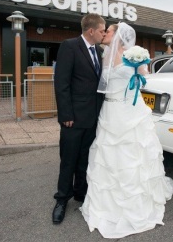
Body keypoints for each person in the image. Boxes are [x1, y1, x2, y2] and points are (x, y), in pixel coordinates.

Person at [80, 22, 173, 239]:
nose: (105, 33)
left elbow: (143, 79)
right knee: (109, 154)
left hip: (131, 110)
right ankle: (107, 203)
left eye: (109, 31)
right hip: (110, 110)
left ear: (118, 36)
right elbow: (101, 82)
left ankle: (136, 202)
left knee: (133, 154)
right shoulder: (103, 54)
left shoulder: (132, 54)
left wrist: (140, 66)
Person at [52, 13, 106, 225]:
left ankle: (80, 194)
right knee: (69, 160)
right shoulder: (70, 46)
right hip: (73, 119)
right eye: (102, 30)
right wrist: (66, 115)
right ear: (91, 30)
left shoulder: (100, 51)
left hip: (92, 118)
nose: (104, 34)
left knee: (85, 159)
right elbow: (61, 83)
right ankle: (61, 200)